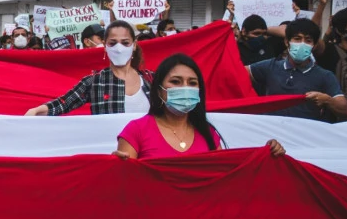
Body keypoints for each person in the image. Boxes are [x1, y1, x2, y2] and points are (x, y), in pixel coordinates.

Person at [114, 53, 285, 159]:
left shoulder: (209, 134)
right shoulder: (135, 131)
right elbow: (126, 186)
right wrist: (116, 167)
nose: (185, 88)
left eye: (192, 83)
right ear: (159, 90)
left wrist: (266, 155)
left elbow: (225, 176)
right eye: (176, 81)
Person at [25, 20, 152, 116]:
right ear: (105, 45)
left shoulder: (151, 79)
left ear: (134, 45)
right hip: (110, 149)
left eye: (125, 43)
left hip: (148, 149)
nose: (119, 48)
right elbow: (63, 103)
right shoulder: (94, 81)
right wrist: (36, 111)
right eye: (112, 43)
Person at [248, 18, 347, 121]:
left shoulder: (325, 76)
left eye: (308, 40)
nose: (302, 44)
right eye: (297, 39)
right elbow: (236, 73)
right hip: (273, 133)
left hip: (303, 135)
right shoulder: (270, 67)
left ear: (313, 46)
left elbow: (345, 110)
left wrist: (327, 100)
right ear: (287, 42)